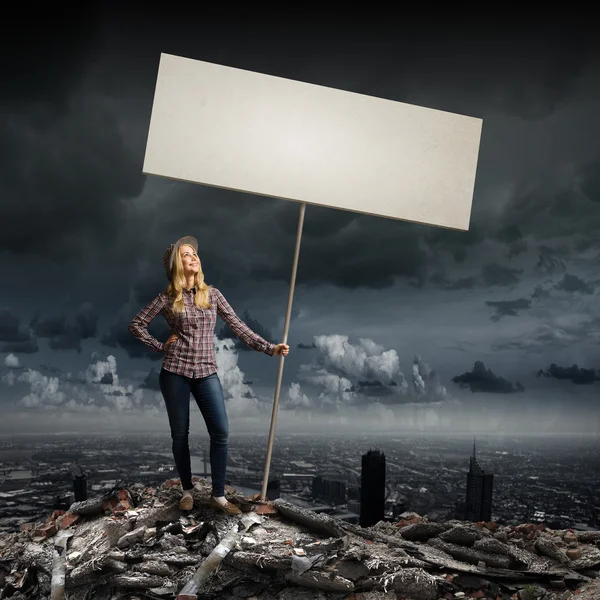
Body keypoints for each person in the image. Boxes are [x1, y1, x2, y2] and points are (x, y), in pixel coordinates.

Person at [128, 236, 289, 514]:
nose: (194, 258)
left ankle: (218, 495)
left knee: (221, 431)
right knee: (180, 435)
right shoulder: (167, 299)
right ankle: (187, 491)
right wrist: (159, 345)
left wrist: (269, 348)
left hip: (206, 372)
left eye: (195, 254)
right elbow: (136, 324)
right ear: (178, 264)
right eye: (187, 255)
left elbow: (238, 326)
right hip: (174, 372)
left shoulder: (212, 295)